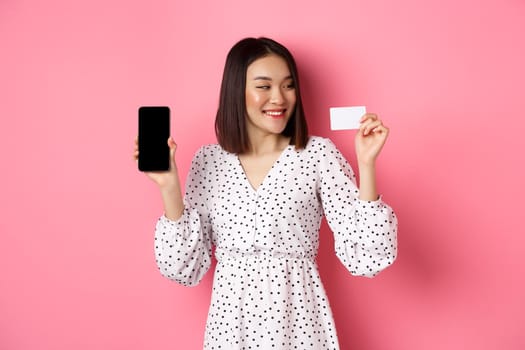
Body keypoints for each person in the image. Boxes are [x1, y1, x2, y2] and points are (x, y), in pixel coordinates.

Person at [134, 37, 397, 349]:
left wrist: (367, 164)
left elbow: (369, 257)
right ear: (236, 91)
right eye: (264, 86)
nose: (279, 98)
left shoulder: (317, 155)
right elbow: (182, 268)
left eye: (288, 85)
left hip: (299, 329)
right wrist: (169, 188)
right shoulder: (209, 161)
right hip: (230, 332)